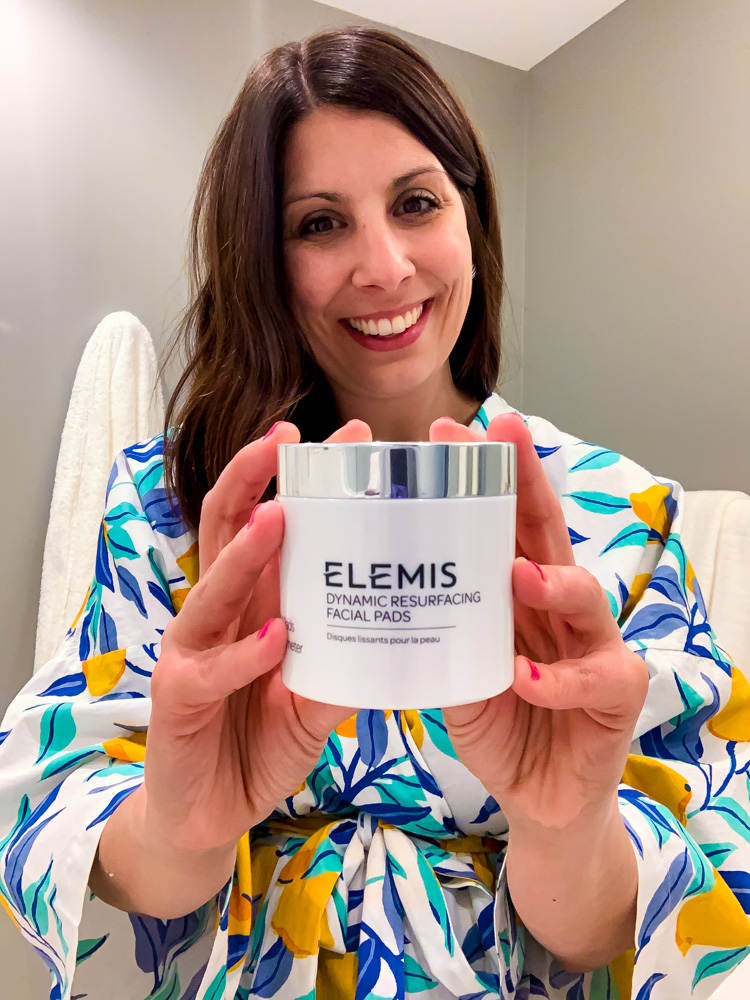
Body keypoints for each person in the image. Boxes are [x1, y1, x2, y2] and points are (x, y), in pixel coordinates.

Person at [1, 25, 749, 1000]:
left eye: (415, 203)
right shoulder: (173, 505)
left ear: (471, 219)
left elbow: (675, 898)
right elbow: (68, 813)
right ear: (262, 258)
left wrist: (566, 827)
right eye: (320, 224)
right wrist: (181, 823)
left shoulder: (617, 516)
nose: (387, 266)